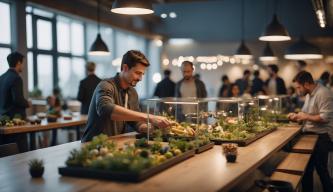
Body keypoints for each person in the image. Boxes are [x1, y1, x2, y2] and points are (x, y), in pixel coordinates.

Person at [81, 50, 170, 142]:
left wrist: (148, 128)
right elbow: (105, 109)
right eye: (137, 73)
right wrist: (150, 117)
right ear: (125, 68)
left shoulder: (132, 92)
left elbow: (135, 121)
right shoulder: (106, 85)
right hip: (93, 145)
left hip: (113, 144)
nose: (140, 78)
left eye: (142, 74)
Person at [288, 71, 333, 192]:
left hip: (323, 136)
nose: (297, 91)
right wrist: (296, 116)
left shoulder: (323, 93)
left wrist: (305, 117)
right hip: (310, 135)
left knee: (321, 171)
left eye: (298, 87)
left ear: (307, 84)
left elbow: (324, 118)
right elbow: (305, 113)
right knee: (307, 171)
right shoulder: (309, 94)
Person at [0, 51, 31, 152]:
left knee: (7, 154)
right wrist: (27, 103)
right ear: (18, 63)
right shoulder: (16, 78)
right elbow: (17, 100)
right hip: (16, 123)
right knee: (21, 155)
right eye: (23, 63)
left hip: (3, 121)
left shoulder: (2, 77)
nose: (23, 66)